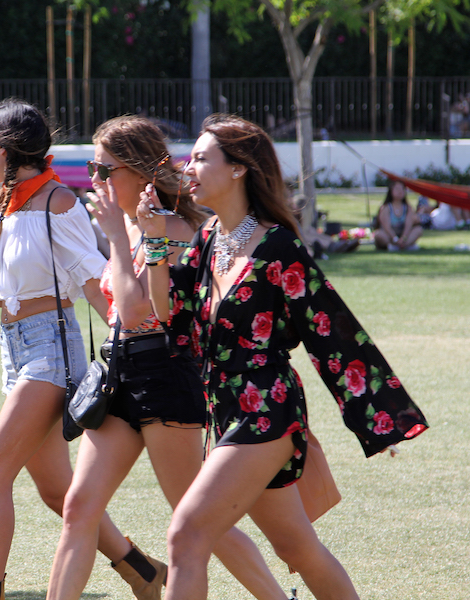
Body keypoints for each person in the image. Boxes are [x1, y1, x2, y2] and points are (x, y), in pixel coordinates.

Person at [139, 113, 429, 600]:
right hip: (224, 410)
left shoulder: (278, 247)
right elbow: (168, 312)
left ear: (238, 169)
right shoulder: (209, 240)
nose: (187, 166)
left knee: (185, 535)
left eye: (201, 157)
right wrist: (151, 241)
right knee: (299, 550)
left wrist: (379, 415)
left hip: (264, 410)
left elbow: (332, 331)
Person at [47, 115, 292, 600]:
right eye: (93, 170)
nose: (94, 180)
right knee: (79, 508)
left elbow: (139, 310)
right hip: (120, 374)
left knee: (194, 517)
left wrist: (117, 234)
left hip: (166, 374)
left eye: (104, 169)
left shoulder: (177, 229)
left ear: (139, 172)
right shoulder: (135, 229)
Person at [0, 99, 166, 600]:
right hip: (16, 348)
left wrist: (133, 343)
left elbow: (92, 279)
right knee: (58, 492)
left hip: (50, 351)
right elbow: (3, 294)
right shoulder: (3, 203)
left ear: (7, 147)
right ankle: (145, 574)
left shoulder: (58, 202)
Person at [373, 180, 423, 251]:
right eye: (397, 189)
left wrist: (403, 238)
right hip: (390, 236)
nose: (400, 191)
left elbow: (408, 225)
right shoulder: (386, 207)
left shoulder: (408, 208)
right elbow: (386, 226)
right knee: (378, 234)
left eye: (402, 189)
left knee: (418, 230)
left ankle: (405, 245)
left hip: (404, 235)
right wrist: (395, 239)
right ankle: (393, 245)